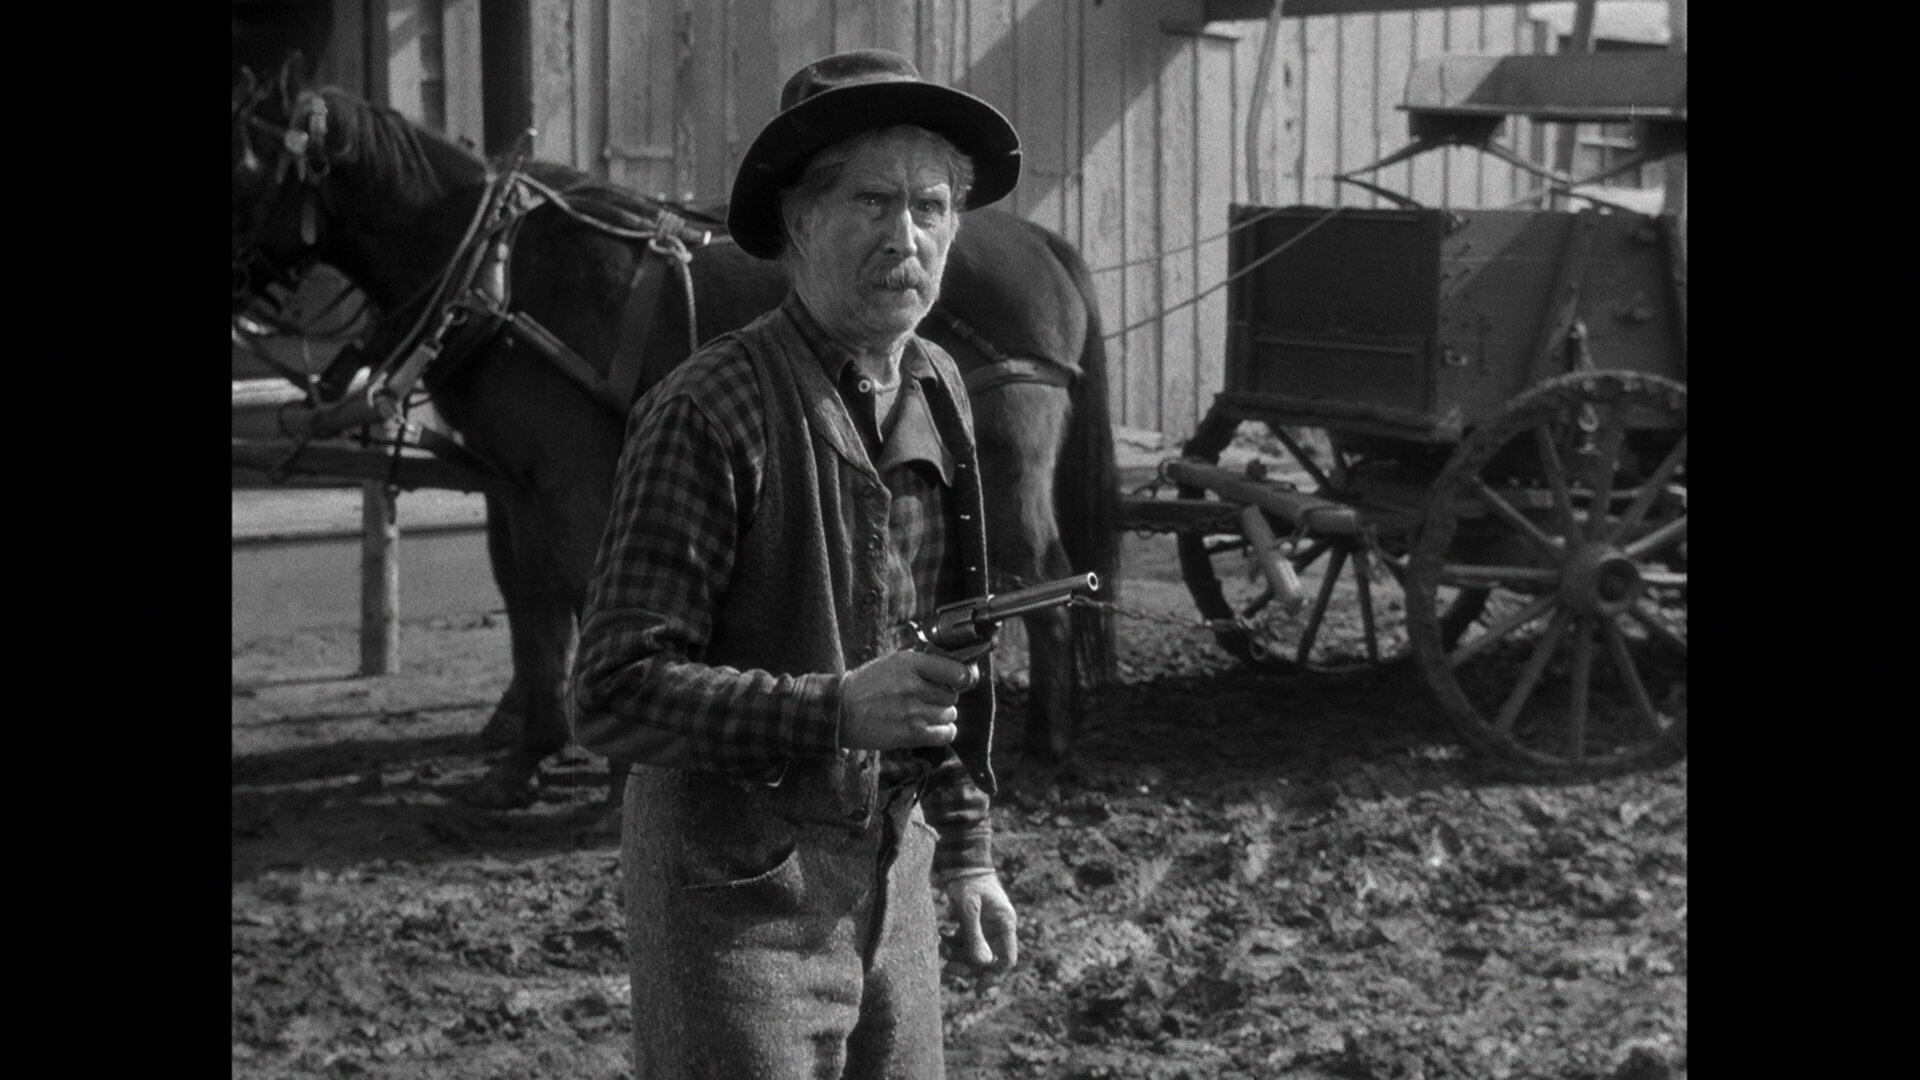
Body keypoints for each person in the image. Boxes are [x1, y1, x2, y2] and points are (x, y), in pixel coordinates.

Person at [570, 48, 1024, 1079]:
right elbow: (610, 693)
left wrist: (966, 851)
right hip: (735, 906)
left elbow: (945, 655)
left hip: (894, 888)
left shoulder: (939, 385)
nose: (906, 236)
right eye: (872, 201)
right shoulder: (710, 408)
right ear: (799, 220)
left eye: (932, 206)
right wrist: (832, 711)